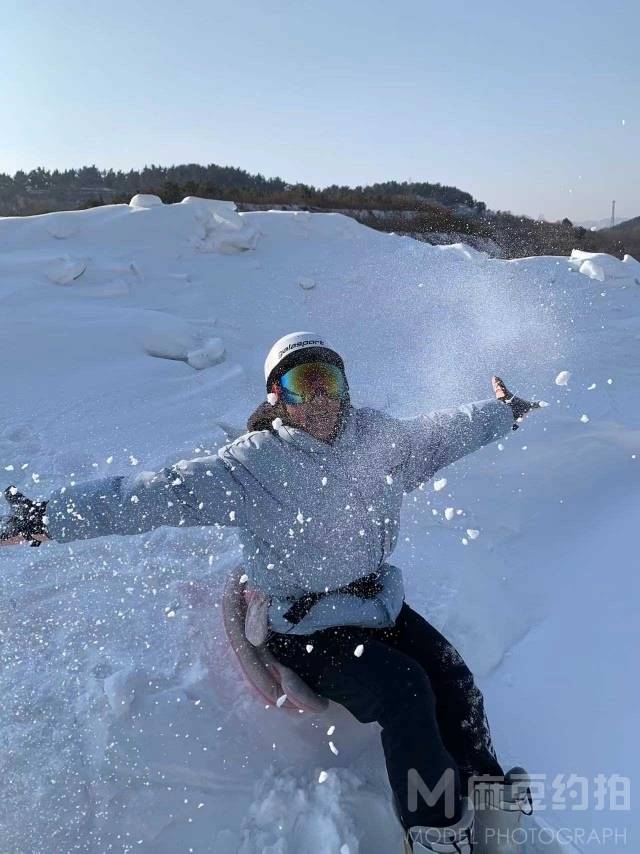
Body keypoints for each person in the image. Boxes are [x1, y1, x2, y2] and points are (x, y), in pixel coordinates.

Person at [2, 331, 541, 853]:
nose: (321, 399)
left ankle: (488, 797)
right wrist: (47, 517)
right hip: (307, 626)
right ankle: (435, 832)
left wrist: (503, 412)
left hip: (377, 604)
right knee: (406, 690)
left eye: (329, 380)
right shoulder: (252, 466)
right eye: (304, 385)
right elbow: (149, 496)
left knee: (453, 675)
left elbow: (440, 434)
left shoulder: (377, 440)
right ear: (278, 398)